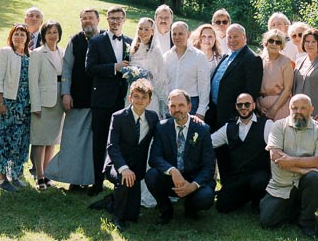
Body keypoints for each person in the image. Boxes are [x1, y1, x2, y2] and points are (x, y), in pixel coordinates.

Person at [259, 94, 318, 239]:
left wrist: (290, 161)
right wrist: (302, 169)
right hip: (281, 186)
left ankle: (306, 220)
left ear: (311, 109)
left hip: (305, 182)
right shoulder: (278, 126)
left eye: (303, 108)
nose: (298, 111)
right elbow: (275, 156)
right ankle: (298, 208)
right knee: (267, 222)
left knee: (315, 177)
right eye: (294, 108)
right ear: (289, 109)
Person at [94, 78, 161, 230]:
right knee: (124, 182)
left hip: (137, 168)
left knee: (133, 215)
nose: (139, 100)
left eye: (144, 97)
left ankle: (111, 201)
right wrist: (123, 168)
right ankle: (117, 218)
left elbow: (164, 132)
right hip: (117, 165)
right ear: (130, 98)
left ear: (149, 100)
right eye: (136, 96)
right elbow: (112, 146)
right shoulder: (118, 117)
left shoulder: (152, 118)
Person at [45, 9, 99, 189]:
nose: (87, 21)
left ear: (98, 20)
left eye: (90, 18)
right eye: (84, 18)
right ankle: (74, 179)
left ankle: (92, 179)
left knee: (94, 143)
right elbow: (66, 68)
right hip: (77, 98)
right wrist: (65, 93)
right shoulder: (75, 41)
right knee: (72, 141)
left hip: (100, 101)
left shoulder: (105, 39)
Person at [145, 90, 217, 223]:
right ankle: (166, 210)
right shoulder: (162, 127)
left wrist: (193, 186)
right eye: (173, 106)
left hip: (194, 178)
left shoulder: (203, 129)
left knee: (206, 197)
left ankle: (191, 207)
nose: (177, 109)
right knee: (151, 175)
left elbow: (209, 165)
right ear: (168, 108)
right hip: (172, 179)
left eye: (181, 105)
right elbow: (154, 158)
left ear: (189, 107)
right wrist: (173, 171)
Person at [86, 6, 132, 195]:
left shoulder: (130, 41)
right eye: (112, 18)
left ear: (124, 20)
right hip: (102, 101)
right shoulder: (96, 41)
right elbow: (90, 68)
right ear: (107, 20)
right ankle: (97, 182)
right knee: (99, 142)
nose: (115, 21)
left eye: (119, 18)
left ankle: (117, 180)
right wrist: (114, 67)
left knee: (119, 144)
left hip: (123, 101)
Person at [211, 93, 271, 213]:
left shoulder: (267, 125)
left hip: (259, 176)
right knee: (222, 207)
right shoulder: (228, 127)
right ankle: (245, 197)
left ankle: (257, 201)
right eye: (240, 105)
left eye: (247, 104)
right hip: (238, 177)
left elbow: (277, 147)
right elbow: (209, 142)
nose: (243, 107)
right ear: (236, 107)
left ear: (253, 105)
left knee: (259, 182)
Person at [0, 24, 34, 191]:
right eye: (16, 34)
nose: (19, 37)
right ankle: (2, 178)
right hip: (9, 103)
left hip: (25, 105)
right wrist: (0, 101)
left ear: (27, 38)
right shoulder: (6, 53)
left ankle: (15, 174)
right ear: (11, 36)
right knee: (5, 140)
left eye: (22, 35)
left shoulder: (30, 56)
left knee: (21, 141)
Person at [205, 23, 263, 131]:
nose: (232, 40)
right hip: (214, 111)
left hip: (231, 114)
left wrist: (240, 113)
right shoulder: (226, 56)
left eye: (236, 36)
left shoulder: (252, 59)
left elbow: (251, 91)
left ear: (244, 37)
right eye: (229, 37)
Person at [29, 20, 65, 190]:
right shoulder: (37, 53)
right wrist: (35, 104)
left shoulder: (63, 52)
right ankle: (39, 175)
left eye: (55, 32)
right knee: (40, 139)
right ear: (44, 35)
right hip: (43, 101)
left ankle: (48, 173)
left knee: (52, 139)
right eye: (49, 32)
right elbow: (32, 81)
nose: (53, 35)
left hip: (58, 101)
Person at [164, 20, 210, 116]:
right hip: (171, 105)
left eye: (180, 34)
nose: (177, 37)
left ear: (188, 34)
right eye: (174, 34)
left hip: (191, 104)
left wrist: (201, 111)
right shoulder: (166, 57)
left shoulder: (199, 57)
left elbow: (204, 86)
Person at [130, 17, 168, 117]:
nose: (143, 32)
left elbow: (161, 76)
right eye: (140, 28)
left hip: (148, 95)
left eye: (146, 29)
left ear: (152, 31)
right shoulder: (133, 49)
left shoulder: (156, 51)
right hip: (132, 94)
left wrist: (147, 80)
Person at [258, 30, 295, 121]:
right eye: (271, 41)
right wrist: (258, 106)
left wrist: (273, 110)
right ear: (266, 43)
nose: (274, 44)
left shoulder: (286, 62)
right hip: (261, 108)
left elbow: (287, 89)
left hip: (280, 107)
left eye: (278, 42)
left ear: (281, 46)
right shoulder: (259, 61)